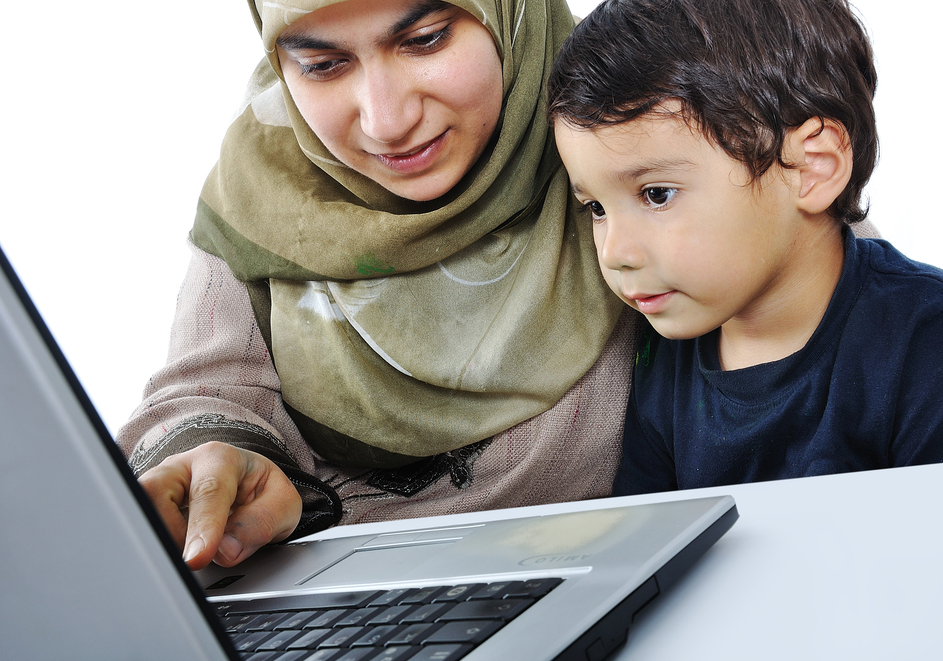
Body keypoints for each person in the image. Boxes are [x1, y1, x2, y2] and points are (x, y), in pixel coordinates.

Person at [117, 0, 637, 571]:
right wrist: (213, 467)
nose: (386, 121)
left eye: (425, 40)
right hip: (326, 620)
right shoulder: (264, 185)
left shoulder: (635, 135)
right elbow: (209, 387)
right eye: (322, 65)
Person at [546, 0, 943, 495]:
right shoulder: (663, 361)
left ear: (811, 168)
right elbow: (648, 549)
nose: (614, 252)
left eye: (656, 194)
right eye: (596, 208)